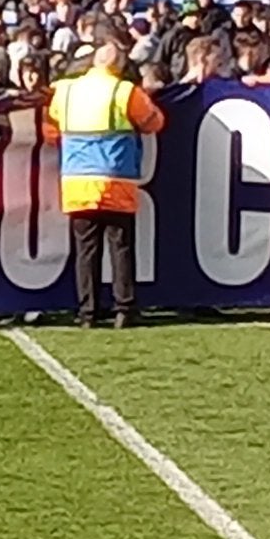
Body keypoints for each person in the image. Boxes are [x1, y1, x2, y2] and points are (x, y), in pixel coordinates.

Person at [42, 38, 164, 329]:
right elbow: (154, 123)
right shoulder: (125, 92)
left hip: (77, 181)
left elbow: (50, 132)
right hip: (115, 179)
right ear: (119, 65)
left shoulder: (65, 91)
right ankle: (124, 309)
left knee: (86, 249)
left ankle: (87, 313)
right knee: (120, 246)